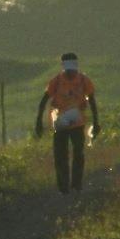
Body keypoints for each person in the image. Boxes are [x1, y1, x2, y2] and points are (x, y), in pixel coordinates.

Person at [32, 51, 100, 194]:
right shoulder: (56, 81)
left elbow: (92, 101)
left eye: (72, 67)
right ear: (63, 66)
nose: (70, 72)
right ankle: (63, 187)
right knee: (60, 155)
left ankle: (76, 185)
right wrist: (39, 121)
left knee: (78, 154)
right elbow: (43, 101)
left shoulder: (83, 81)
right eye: (68, 68)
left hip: (77, 123)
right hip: (61, 124)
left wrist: (96, 121)